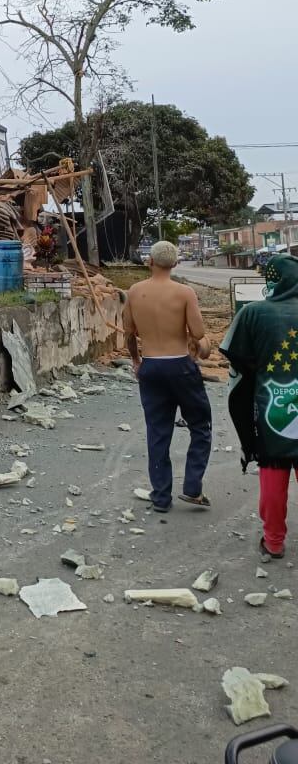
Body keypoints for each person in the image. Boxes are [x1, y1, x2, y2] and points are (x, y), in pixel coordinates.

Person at [122, 240, 213, 513]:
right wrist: (203, 346)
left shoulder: (135, 292)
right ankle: (192, 487)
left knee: (158, 433)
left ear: (150, 262)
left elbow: (128, 334)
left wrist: (137, 361)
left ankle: (161, 497)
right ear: (175, 264)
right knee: (200, 425)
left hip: (150, 366)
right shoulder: (184, 293)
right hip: (180, 365)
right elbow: (198, 335)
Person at [221, 253, 298, 560]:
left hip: (272, 408)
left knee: (273, 474)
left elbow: (238, 359)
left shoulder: (253, 313)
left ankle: (274, 541)